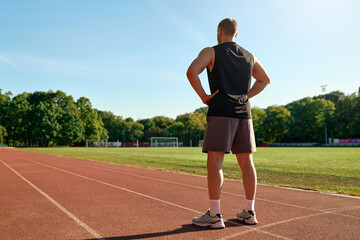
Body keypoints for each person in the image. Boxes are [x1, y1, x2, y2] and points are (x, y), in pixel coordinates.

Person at [186, 18, 270, 229]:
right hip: (244, 114)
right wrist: (246, 96)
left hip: (221, 111)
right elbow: (265, 79)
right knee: (247, 163)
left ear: (219, 31)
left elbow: (191, 71)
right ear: (236, 34)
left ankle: (215, 215)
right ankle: (249, 212)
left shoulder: (211, 51)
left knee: (215, 163)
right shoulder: (250, 56)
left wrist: (204, 96)